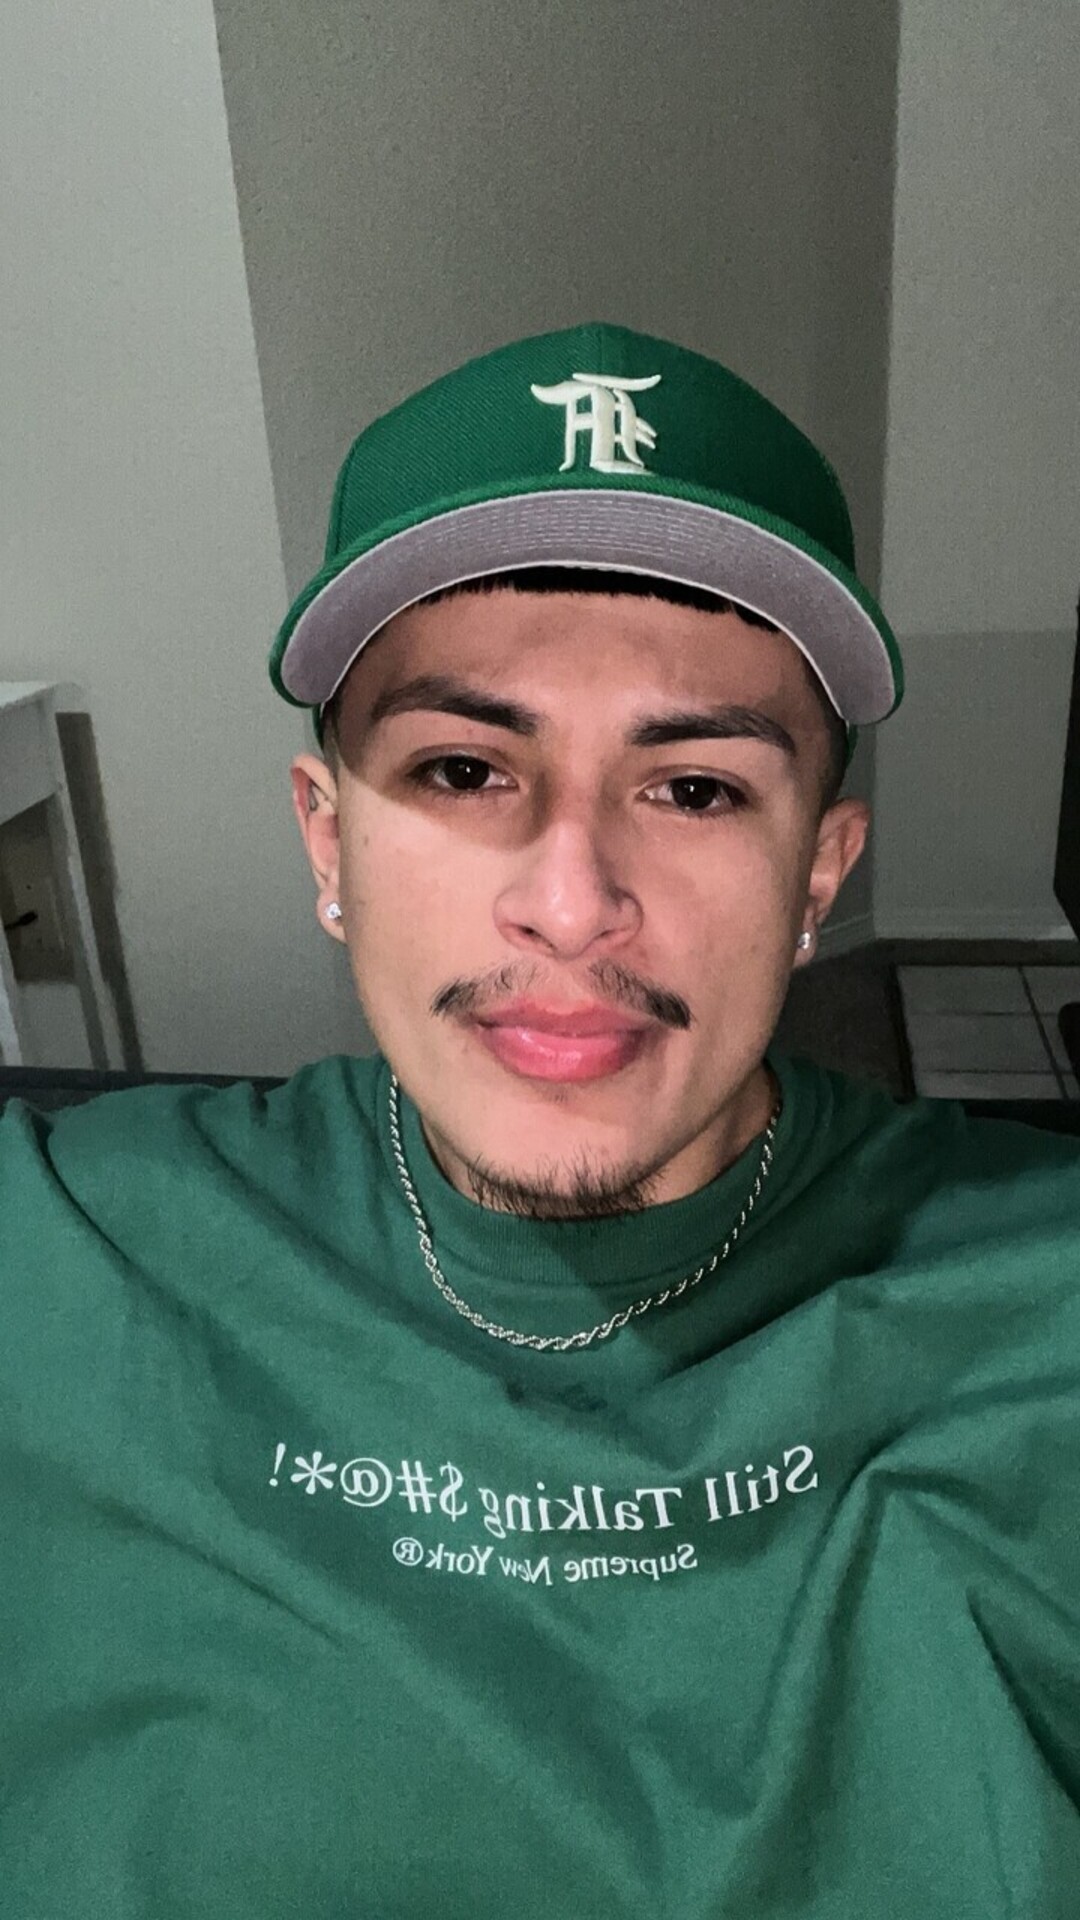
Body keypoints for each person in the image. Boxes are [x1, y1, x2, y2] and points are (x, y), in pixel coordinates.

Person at [2, 323, 1078, 1917]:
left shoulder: (1045, 1304)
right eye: (462, 769)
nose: (572, 905)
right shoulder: (56, 1252)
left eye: (696, 788)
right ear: (329, 843)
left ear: (821, 872)